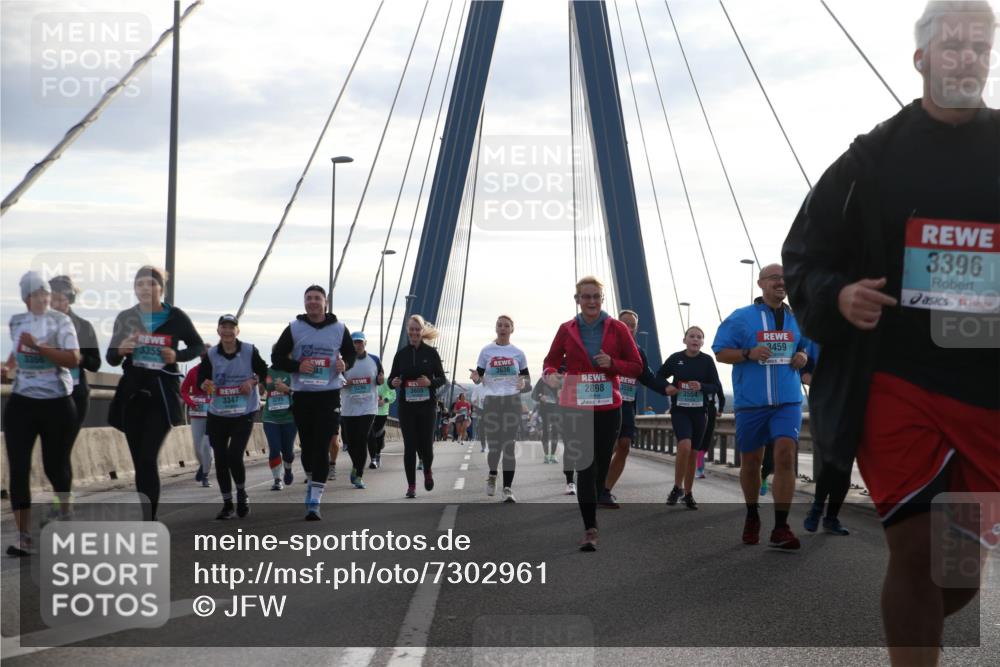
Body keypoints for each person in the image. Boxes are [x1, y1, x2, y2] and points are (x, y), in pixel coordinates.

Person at [782, 3, 998, 661]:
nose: (966, 56)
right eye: (953, 44)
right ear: (922, 58)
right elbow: (803, 255)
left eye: (979, 45)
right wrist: (837, 293)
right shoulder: (871, 159)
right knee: (913, 548)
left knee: (956, 570)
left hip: (987, 386)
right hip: (895, 378)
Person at [712, 263, 809, 550]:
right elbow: (720, 352)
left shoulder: (798, 317)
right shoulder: (742, 318)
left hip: (789, 401)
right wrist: (748, 353)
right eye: (775, 278)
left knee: (784, 453)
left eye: (785, 277)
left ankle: (781, 526)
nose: (781, 282)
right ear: (761, 283)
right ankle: (752, 514)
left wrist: (802, 355)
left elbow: (804, 347)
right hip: (752, 403)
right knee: (752, 462)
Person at [542, 276, 642, 551]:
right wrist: (551, 375)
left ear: (602, 299)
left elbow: (635, 366)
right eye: (586, 297)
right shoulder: (566, 329)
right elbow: (550, 362)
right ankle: (590, 528)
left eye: (596, 296)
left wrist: (613, 363)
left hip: (609, 407)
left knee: (599, 464)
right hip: (575, 406)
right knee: (585, 465)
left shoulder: (618, 329)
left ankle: (599, 494)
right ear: (577, 300)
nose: (591, 301)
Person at [107, 266, 204, 521]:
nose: (145, 289)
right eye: (140, 285)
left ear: (161, 288)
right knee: (140, 461)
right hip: (132, 395)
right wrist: (121, 350)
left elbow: (196, 345)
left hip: (161, 395)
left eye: (151, 284)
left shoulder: (176, 317)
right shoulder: (126, 317)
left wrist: (177, 355)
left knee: (149, 457)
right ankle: (145, 515)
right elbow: (110, 357)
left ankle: (149, 519)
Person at [2, 272, 80, 556]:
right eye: (36, 295)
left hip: (57, 402)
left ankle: (66, 515)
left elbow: (73, 358)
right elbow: (16, 350)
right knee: (19, 470)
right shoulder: (16, 321)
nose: (42, 299)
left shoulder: (61, 321)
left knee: (55, 467)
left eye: (45, 294)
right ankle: (24, 537)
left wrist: (40, 347)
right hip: (22, 402)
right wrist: (8, 368)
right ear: (26, 299)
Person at [271, 284, 355, 520]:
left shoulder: (339, 328)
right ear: (304, 303)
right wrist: (297, 366)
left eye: (317, 298)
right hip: (303, 395)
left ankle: (315, 500)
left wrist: (345, 364)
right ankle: (312, 480)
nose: (313, 302)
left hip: (328, 395)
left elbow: (349, 354)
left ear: (325, 302)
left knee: (321, 446)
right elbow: (276, 357)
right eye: (309, 298)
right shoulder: (294, 328)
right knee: (307, 448)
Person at [199, 314, 268, 519]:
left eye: (232, 327)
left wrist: (253, 381)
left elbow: (263, 371)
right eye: (224, 327)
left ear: (238, 331)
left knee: (234, 455)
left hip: (244, 411)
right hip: (218, 413)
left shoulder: (249, 350)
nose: (228, 331)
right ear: (218, 331)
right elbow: (201, 379)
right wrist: (204, 384)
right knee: (220, 458)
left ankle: (241, 493)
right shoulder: (211, 354)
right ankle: (227, 503)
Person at [602, 309, 667, 508]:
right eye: (624, 323)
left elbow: (647, 377)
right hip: (605, 405)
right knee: (605, 448)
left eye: (632, 325)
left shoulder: (639, 352)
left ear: (636, 329)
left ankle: (605, 491)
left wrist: (668, 388)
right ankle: (593, 483)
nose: (628, 328)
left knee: (624, 445)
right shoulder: (605, 346)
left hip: (627, 405)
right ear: (616, 325)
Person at [657, 326, 723, 510]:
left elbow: (716, 386)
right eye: (691, 336)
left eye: (699, 337)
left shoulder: (707, 361)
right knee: (684, 446)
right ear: (684, 340)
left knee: (693, 452)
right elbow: (659, 375)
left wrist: (701, 386)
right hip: (680, 410)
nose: (695, 339)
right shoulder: (676, 358)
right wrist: (667, 387)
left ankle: (688, 493)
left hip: (700, 412)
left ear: (703, 342)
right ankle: (677, 487)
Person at [471, 314, 531, 503]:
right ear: (496, 328)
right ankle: (492, 473)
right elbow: (479, 375)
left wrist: (524, 384)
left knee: (509, 446)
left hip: (512, 401)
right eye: (500, 325)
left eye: (506, 325)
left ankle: (507, 488)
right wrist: (476, 378)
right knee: (495, 446)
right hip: (493, 402)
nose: (503, 328)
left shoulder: (518, 353)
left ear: (512, 329)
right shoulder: (486, 351)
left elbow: (527, 382)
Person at [388, 315, 446, 498]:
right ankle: (411, 486)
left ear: (422, 331)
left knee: (426, 446)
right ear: (407, 330)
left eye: (417, 329)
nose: (414, 332)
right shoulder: (401, 354)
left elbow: (442, 379)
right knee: (410, 446)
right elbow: (391, 380)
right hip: (407, 407)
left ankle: (427, 469)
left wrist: (430, 382)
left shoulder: (431, 353)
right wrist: (394, 382)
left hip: (427, 406)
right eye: (411, 329)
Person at [798, 341, 850, 536]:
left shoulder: (862, 334)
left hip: (853, 404)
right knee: (830, 459)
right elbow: (803, 372)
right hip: (826, 405)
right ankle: (817, 510)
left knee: (844, 464)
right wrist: (820, 380)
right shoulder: (815, 336)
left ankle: (831, 518)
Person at [48, 276, 101, 461]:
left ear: (70, 300)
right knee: (51, 451)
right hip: (45, 395)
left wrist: (78, 358)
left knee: (62, 451)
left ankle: (62, 490)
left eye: (60, 300)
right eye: (51, 300)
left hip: (74, 396)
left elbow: (96, 364)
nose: (56, 304)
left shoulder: (83, 327)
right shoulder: (38, 327)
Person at [341, 332, 383, 489]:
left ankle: (359, 475)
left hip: (368, 407)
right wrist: (345, 383)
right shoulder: (344, 361)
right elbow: (336, 381)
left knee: (362, 438)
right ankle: (356, 465)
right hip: (349, 407)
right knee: (351, 444)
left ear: (365, 343)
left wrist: (380, 380)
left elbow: (380, 377)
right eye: (354, 342)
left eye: (360, 342)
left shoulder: (374, 360)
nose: (357, 345)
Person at [262, 353, 296, 490]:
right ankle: (277, 479)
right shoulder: (268, 372)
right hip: (270, 417)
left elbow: (300, 392)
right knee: (274, 448)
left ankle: (288, 469)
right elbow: (260, 389)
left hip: (289, 418)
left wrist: (287, 389)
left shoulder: (293, 372)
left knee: (288, 451)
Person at [180, 357, 213, 487]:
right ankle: (203, 465)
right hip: (197, 413)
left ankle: (205, 475)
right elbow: (184, 390)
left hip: (213, 414)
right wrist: (190, 402)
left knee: (207, 446)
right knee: (197, 446)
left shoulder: (217, 371)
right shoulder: (193, 371)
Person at [531, 375, 561, 464]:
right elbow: (534, 395)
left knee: (555, 431)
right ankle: (546, 456)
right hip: (545, 410)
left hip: (558, 409)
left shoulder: (561, 379)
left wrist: (562, 393)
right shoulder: (542, 380)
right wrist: (540, 396)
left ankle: (553, 455)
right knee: (546, 430)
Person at [368, 376, 396, 468]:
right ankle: (373, 459)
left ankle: (378, 454)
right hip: (368, 412)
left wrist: (384, 400)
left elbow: (393, 395)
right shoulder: (367, 378)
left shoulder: (385, 381)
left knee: (378, 436)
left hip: (381, 413)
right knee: (370, 435)